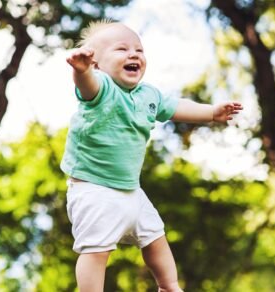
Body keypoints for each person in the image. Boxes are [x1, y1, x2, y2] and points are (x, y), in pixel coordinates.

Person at [61, 20, 243, 292]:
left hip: (132, 191)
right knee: (96, 251)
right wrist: (81, 70)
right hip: (94, 190)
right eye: (121, 49)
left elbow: (177, 107)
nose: (133, 54)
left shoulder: (148, 94)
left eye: (139, 49)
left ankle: (169, 286)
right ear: (97, 64)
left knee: (155, 237)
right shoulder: (101, 89)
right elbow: (87, 86)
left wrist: (211, 113)